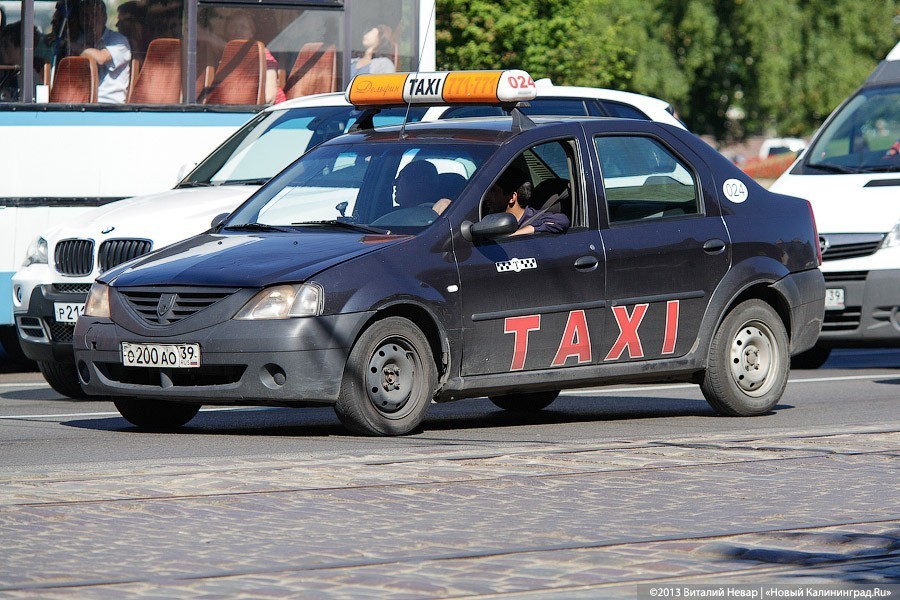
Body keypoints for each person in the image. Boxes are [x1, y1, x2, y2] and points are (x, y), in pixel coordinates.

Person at [73, 0, 131, 103]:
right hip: (82, 104)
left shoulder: (119, 41)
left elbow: (101, 58)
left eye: (94, 15)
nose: (90, 20)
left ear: (104, 17)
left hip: (110, 106)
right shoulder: (81, 40)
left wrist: (77, 48)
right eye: (85, 16)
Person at [484, 166, 569, 235]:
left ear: (512, 197)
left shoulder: (533, 218)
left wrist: (515, 234)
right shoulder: (487, 219)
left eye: (493, 191)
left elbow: (561, 221)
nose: (486, 197)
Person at [224, 11, 284, 104]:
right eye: (233, 26)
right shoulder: (225, 55)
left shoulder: (261, 53)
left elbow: (269, 97)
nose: (237, 30)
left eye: (243, 27)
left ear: (251, 32)